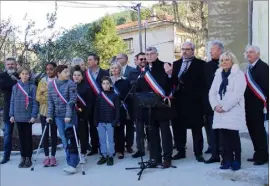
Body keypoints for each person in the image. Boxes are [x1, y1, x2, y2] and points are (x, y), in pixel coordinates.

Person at [165, 41, 205, 162]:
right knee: (178, 128)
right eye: (183, 49)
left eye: (187, 49)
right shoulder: (175, 64)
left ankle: (198, 153)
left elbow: (203, 84)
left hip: (194, 102)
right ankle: (181, 151)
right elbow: (171, 82)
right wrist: (169, 75)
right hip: (178, 101)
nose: (184, 51)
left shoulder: (201, 64)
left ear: (193, 50)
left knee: (196, 129)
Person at [136, 47, 175, 168]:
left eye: (151, 54)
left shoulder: (165, 66)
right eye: (147, 54)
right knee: (152, 134)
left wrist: (169, 75)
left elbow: (172, 84)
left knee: (165, 134)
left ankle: (167, 158)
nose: (148, 56)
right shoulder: (144, 70)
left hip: (162, 106)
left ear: (157, 54)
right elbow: (141, 87)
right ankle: (155, 158)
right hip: (149, 107)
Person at [209, 51, 246, 170]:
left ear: (232, 61)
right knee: (223, 138)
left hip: (232, 110)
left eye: (227, 60)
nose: (224, 62)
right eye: (222, 60)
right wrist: (215, 106)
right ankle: (227, 159)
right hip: (219, 111)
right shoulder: (218, 74)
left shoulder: (239, 74)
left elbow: (237, 94)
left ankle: (236, 160)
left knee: (233, 136)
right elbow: (212, 92)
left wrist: (224, 107)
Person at [47, 65, 79, 174]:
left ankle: (73, 164)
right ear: (58, 73)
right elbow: (50, 102)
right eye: (65, 72)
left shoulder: (71, 84)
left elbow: (72, 101)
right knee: (64, 139)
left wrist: (68, 115)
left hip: (69, 116)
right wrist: (49, 116)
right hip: (58, 116)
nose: (68, 74)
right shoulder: (51, 85)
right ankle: (69, 160)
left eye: (68, 72)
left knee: (71, 138)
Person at [244, 45, 269, 165]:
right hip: (249, 106)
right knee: (252, 130)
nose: (248, 54)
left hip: (259, 106)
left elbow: (265, 89)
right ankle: (257, 153)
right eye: (247, 52)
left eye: (251, 52)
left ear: (258, 54)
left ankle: (263, 156)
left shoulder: (263, 68)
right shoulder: (250, 68)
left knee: (259, 131)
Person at [9, 66, 38, 168]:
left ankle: (28, 158)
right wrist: (11, 115)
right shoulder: (15, 87)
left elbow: (35, 102)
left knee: (28, 138)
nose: (25, 76)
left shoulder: (32, 87)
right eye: (23, 74)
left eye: (27, 74)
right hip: (18, 116)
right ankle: (22, 157)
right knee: (20, 138)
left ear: (29, 75)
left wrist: (34, 115)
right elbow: (12, 102)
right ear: (19, 75)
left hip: (28, 117)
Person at [204, 40, 225, 164]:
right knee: (213, 132)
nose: (211, 51)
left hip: (225, 105)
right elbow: (204, 86)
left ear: (220, 50)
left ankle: (226, 155)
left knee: (224, 132)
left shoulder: (228, 65)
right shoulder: (206, 66)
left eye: (213, 49)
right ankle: (215, 155)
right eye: (211, 50)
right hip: (211, 104)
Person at [84, 53, 109, 156]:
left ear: (96, 61)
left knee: (103, 126)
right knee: (92, 126)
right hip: (89, 104)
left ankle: (105, 148)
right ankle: (94, 147)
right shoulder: (85, 74)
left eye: (90, 59)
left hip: (101, 103)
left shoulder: (104, 72)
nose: (88, 61)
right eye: (88, 60)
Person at [94, 76, 120, 166]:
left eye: (107, 83)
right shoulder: (99, 96)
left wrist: (115, 121)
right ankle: (104, 155)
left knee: (110, 140)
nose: (105, 85)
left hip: (110, 122)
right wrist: (95, 121)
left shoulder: (115, 96)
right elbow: (96, 109)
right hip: (101, 122)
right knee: (102, 140)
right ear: (101, 85)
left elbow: (117, 110)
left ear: (110, 84)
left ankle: (111, 156)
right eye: (103, 83)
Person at [36, 62, 58, 167]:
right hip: (44, 112)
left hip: (55, 113)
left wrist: (47, 94)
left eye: (51, 69)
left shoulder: (58, 81)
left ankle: (53, 156)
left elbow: (59, 97)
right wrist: (49, 98)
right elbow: (38, 97)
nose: (49, 71)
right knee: (45, 134)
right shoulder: (42, 81)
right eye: (47, 69)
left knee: (53, 134)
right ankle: (46, 156)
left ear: (55, 69)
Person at [110, 63, 132, 159]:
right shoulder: (107, 81)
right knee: (113, 130)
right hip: (110, 108)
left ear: (120, 70)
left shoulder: (125, 81)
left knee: (120, 130)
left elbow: (128, 95)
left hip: (121, 108)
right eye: (113, 68)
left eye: (116, 68)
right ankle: (114, 148)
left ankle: (120, 150)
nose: (114, 70)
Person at [0, 57, 19, 164]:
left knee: (24, 132)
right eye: (8, 64)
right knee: (7, 134)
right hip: (8, 109)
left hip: (21, 108)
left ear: (16, 65)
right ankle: (6, 156)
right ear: (5, 65)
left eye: (12, 64)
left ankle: (25, 156)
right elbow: (3, 86)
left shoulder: (21, 75)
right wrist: (15, 83)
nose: (10, 66)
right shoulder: (2, 76)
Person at [72, 65, 92, 164]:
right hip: (72, 115)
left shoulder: (86, 87)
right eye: (74, 75)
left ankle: (83, 154)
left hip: (82, 115)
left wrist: (85, 115)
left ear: (82, 77)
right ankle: (75, 154)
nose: (76, 77)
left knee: (83, 135)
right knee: (73, 135)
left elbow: (89, 103)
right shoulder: (69, 86)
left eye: (78, 75)